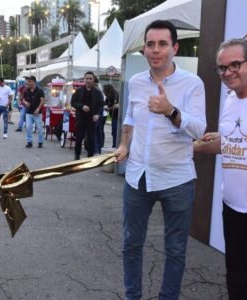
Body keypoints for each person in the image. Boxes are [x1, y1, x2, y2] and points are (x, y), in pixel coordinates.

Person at [114, 20, 206, 300]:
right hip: (137, 176)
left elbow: (199, 129)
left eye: (162, 44)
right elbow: (130, 117)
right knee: (131, 244)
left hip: (177, 179)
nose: (156, 50)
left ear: (175, 48)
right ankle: (132, 296)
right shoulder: (138, 82)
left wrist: (171, 110)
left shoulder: (192, 84)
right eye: (151, 44)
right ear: (144, 50)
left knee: (175, 249)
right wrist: (124, 144)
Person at [194, 38, 247, 299]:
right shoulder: (229, 100)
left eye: (235, 64)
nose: (228, 72)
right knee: (236, 277)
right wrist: (196, 145)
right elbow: (229, 142)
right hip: (232, 208)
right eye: (222, 68)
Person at [71, 71, 104, 159]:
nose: (88, 80)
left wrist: (98, 115)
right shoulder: (79, 91)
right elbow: (73, 102)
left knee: (91, 139)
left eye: (90, 79)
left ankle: (90, 156)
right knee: (79, 138)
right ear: (84, 79)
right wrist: (82, 106)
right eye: (87, 78)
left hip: (92, 119)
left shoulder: (97, 92)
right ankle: (77, 156)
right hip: (81, 118)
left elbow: (101, 105)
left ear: (93, 80)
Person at [23, 75, 45, 148]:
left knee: (39, 128)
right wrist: (25, 103)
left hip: (37, 113)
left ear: (34, 82)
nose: (28, 83)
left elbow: (42, 101)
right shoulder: (27, 90)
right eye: (28, 81)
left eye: (30, 81)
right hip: (29, 112)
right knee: (28, 127)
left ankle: (40, 142)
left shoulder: (39, 90)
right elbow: (23, 99)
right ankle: (29, 142)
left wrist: (38, 109)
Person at [104, 84, 119, 148]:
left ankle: (115, 145)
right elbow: (105, 103)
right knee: (113, 131)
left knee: (115, 131)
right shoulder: (108, 96)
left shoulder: (116, 95)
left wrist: (109, 108)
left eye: (104, 90)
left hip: (117, 116)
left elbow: (117, 105)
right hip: (113, 116)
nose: (103, 91)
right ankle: (114, 145)